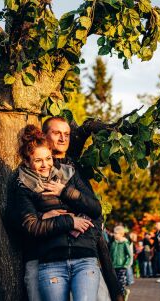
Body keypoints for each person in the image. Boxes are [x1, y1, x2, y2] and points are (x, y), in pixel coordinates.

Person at [13, 125, 102, 301]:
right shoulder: (23, 186)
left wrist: (65, 191)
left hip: (84, 257)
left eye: (48, 158)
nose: (45, 165)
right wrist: (69, 221)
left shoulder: (69, 173)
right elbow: (32, 226)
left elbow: (95, 208)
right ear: (26, 161)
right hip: (50, 261)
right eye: (38, 161)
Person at [43, 116, 122, 301]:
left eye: (66, 134)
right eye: (57, 133)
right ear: (44, 135)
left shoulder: (74, 169)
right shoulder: (37, 168)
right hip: (50, 257)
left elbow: (95, 209)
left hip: (83, 254)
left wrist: (88, 238)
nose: (63, 138)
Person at [109, 226, 132, 300]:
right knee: (115, 284)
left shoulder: (125, 243)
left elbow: (130, 255)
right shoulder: (113, 243)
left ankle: (122, 296)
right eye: (114, 233)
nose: (114, 234)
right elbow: (110, 254)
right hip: (114, 266)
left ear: (121, 234)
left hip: (122, 266)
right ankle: (121, 294)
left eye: (116, 233)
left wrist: (126, 264)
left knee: (121, 284)